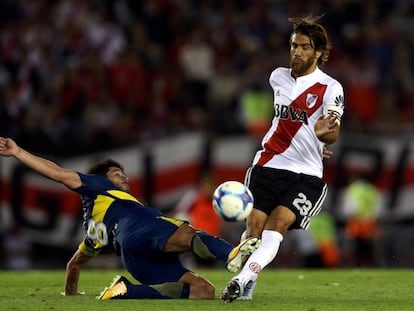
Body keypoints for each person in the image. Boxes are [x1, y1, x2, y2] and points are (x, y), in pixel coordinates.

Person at [0, 137, 260, 300]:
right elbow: (57, 173)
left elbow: (74, 265)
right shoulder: (98, 186)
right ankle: (230, 254)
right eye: (116, 173)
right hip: (139, 228)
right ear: (102, 177)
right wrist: (18, 152)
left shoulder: (94, 229)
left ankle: (126, 290)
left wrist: (70, 294)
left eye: (123, 174)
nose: (123, 177)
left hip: (134, 261)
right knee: (189, 233)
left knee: (204, 291)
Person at [220, 15, 345, 303]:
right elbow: (287, 123)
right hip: (267, 165)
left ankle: (242, 278)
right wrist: (311, 136)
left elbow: (332, 130)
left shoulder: (330, 88)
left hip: (306, 175)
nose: (296, 52)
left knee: (276, 226)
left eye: (303, 47)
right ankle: (245, 290)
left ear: (318, 52)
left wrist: (324, 135)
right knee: (252, 232)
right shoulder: (277, 76)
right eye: (293, 45)